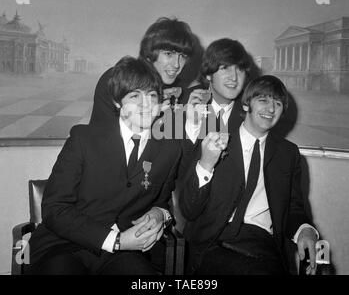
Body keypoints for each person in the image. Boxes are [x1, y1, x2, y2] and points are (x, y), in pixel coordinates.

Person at [25, 57, 181, 275]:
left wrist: (160, 214)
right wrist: (115, 240)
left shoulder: (170, 149)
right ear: (118, 103)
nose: (146, 105)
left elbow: (162, 199)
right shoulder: (83, 139)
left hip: (123, 255)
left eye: (152, 96)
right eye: (135, 96)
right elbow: (54, 208)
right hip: (63, 246)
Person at [179, 75, 318, 275]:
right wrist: (206, 164)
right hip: (213, 242)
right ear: (246, 105)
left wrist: (305, 229)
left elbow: (293, 207)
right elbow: (189, 210)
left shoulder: (288, 154)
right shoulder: (213, 139)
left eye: (277, 103)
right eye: (263, 100)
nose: (271, 109)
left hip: (262, 245)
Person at [90, 17, 194, 125]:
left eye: (182, 56)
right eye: (168, 54)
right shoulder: (116, 79)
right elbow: (103, 137)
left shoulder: (177, 92)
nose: (177, 64)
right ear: (149, 53)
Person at [185, 38, 251, 144]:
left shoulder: (252, 111)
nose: (234, 77)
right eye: (225, 68)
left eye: (240, 69)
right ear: (208, 74)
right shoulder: (181, 103)